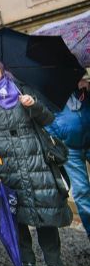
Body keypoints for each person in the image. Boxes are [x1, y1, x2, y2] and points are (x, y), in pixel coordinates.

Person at [0, 57, 73, 266]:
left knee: (46, 210)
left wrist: (34, 105)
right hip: (2, 160)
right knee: (15, 214)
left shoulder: (22, 87)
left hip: (33, 154)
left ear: (1, 67)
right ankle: (27, 263)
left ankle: (54, 264)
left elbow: (47, 119)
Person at [47, 76, 90, 243]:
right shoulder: (49, 92)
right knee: (81, 191)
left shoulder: (83, 88)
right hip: (70, 149)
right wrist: (60, 139)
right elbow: (46, 120)